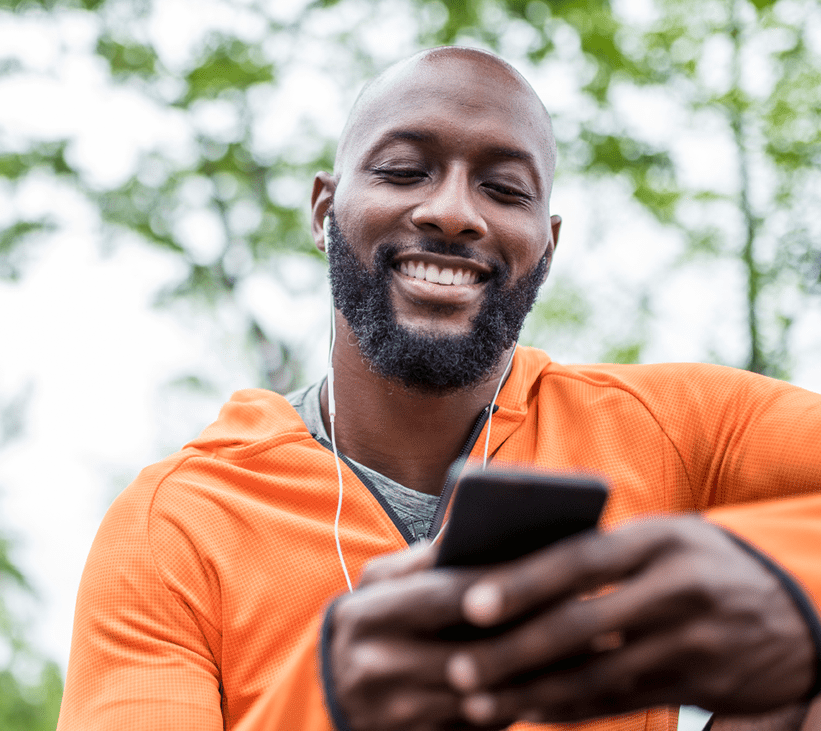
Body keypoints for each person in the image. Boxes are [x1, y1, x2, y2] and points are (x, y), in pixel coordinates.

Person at [56, 46, 821, 731]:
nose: (453, 212)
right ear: (324, 211)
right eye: (402, 170)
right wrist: (332, 702)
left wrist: (787, 585)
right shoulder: (175, 527)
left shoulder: (670, 428)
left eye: (505, 189)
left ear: (547, 246)